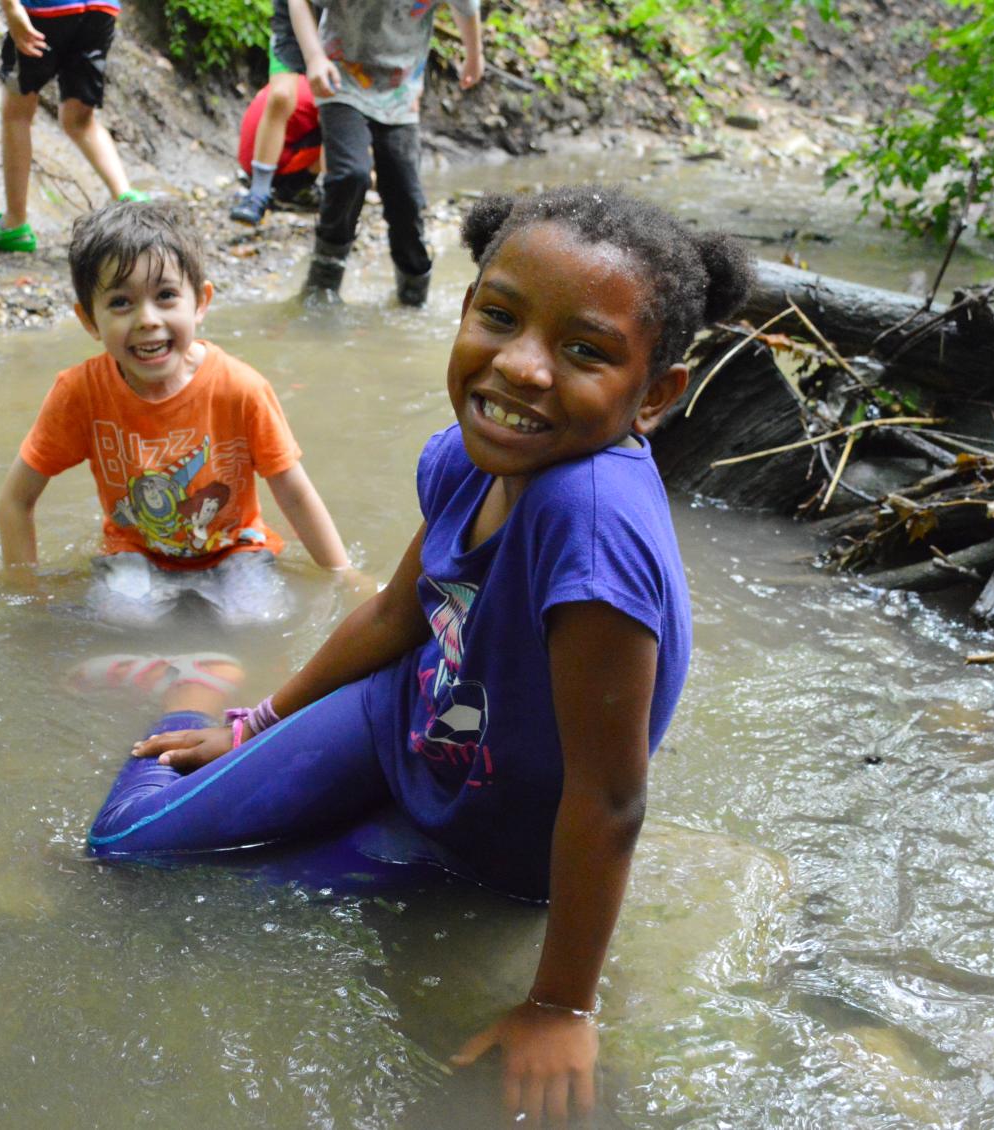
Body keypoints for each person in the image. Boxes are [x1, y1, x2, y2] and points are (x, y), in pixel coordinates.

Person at [85, 185, 754, 1122]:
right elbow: (401, 612)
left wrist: (561, 1005)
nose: (521, 368)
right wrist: (255, 723)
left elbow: (610, 796)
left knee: (238, 904)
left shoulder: (590, 527)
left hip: (485, 832)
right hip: (398, 716)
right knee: (125, 849)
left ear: (655, 397)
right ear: (467, 303)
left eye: (585, 350)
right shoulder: (473, 452)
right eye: (500, 316)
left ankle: (335, 809)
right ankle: (191, 703)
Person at [0, 200, 353, 626]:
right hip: (136, 552)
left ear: (200, 302)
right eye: (121, 302)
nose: (148, 319)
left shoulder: (240, 389)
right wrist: (25, 599)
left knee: (259, 621)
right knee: (122, 621)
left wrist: (342, 576)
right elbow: (16, 500)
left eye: (166, 296)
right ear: (90, 320)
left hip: (235, 548)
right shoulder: (79, 393)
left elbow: (294, 493)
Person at [286, 0, 484, 305]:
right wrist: (314, 59)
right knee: (350, 173)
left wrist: (474, 56)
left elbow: (465, 7)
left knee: (405, 196)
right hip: (340, 76)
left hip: (400, 89)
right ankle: (322, 283)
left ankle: (413, 293)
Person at [0, 0, 149, 254]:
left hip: (47, 9)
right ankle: (127, 198)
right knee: (79, 120)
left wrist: (11, 8)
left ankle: (14, 225)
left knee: (17, 116)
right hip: (101, 10)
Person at [230, 0, 323, 226]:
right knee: (280, 96)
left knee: (335, 109)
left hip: (346, 22)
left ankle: (333, 199)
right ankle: (258, 193)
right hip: (292, 17)